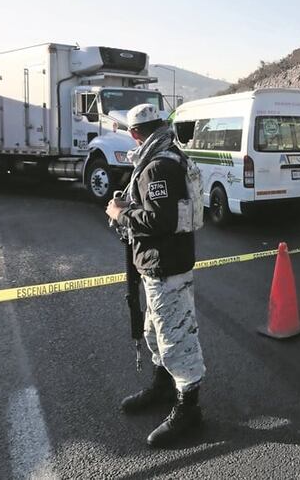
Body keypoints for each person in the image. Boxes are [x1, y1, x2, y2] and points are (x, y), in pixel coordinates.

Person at [107, 103, 206, 447]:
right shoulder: (165, 157)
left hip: (166, 266)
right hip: (160, 265)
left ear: (135, 133)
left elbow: (160, 220)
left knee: (177, 338)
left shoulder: (158, 167)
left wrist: (120, 215)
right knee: (156, 332)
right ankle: (163, 387)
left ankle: (188, 407)